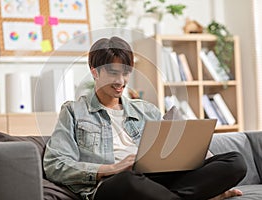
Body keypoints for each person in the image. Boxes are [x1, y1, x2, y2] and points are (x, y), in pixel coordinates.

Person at [43, 36, 247, 200]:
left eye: (126, 73)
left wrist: (200, 156)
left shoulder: (147, 110)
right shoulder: (73, 111)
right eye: (113, 73)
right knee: (129, 180)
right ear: (94, 72)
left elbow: (174, 147)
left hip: (160, 180)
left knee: (235, 161)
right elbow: (55, 164)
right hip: (115, 183)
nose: (121, 81)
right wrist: (111, 168)